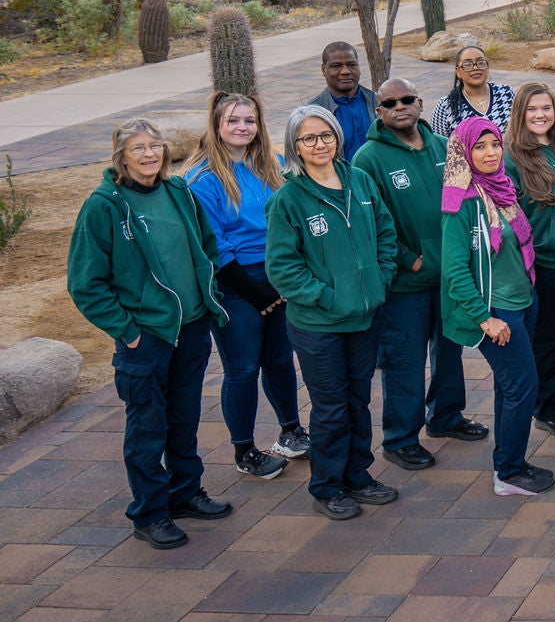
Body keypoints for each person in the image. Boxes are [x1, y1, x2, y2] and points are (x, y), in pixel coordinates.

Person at [68, 118, 234, 549]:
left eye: (155, 146)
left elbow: (207, 247)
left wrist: (208, 290)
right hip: (147, 337)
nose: (149, 155)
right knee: (147, 427)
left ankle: (185, 493)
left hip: (192, 327)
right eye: (139, 148)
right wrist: (128, 330)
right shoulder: (105, 205)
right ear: (121, 155)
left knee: (184, 418)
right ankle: (150, 513)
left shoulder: (178, 192)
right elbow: (85, 284)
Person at [266, 105, 401, 521]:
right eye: (308, 138)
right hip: (319, 324)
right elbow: (282, 268)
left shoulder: (359, 180)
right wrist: (328, 297)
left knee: (358, 399)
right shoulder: (288, 198)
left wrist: (381, 277)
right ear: (295, 147)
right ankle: (327, 486)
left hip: (364, 317)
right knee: (330, 406)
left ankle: (357, 475)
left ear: (337, 137)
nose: (319, 144)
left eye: (325, 135)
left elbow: (385, 232)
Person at [354, 78, 482, 471]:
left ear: (420, 103)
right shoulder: (368, 159)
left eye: (406, 99)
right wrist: (411, 261)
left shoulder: (446, 149)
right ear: (379, 112)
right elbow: (373, 224)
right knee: (404, 362)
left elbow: (467, 204)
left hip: (449, 278)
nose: (399, 106)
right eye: (389, 103)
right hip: (406, 283)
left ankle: (445, 416)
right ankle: (400, 438)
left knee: (449, 352)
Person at [183, 91, 304, 480]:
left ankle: (291, 431)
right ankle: (244, 451)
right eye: (233, 121)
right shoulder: (202, 179)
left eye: (249, 121)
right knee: (243, 367)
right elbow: (214, 246)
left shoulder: (274, 164)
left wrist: (284, 280)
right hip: (236, 284)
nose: (242, 128)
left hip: (279, 276)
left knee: (281, 360)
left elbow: (291, 218)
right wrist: (259, 294)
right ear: (217, 126)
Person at [439, 118, 552, 496]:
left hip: (522, 302)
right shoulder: (462, 204)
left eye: (494, 145)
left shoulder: (504, 189)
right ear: (464, 153)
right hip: (496, 311)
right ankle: (508, 472)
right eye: (480, 147)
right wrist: (484, 317)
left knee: (511, 386)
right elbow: (454, 269)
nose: (490, 154)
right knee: (523, 386)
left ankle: (510, 462)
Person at [506, 82, 555, 439]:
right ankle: (547, 407)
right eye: (532, 109)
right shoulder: (513, 157)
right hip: (542, 263)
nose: (540, 115)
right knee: (547, 340)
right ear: (521, 114)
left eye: (546, 108)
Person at [430, 43, 516, 137]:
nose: (475, 68)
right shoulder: (446, 105)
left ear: (487, 67)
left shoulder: (506, 93)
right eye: (467, 64)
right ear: (458, 71)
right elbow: (438, 144)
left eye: (480, 62)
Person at [308, 42, 374, 160]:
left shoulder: (379, 103)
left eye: (351, 64)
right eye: (337, 66)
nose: (345, 71)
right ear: (324, 69)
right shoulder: (312, 113)